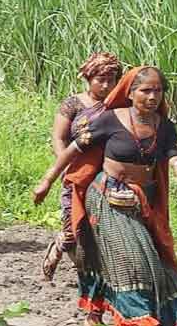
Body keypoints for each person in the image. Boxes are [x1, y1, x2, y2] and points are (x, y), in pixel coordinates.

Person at [37, 66, 177, 326]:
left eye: (158, 91)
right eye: (145, 90)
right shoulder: (109, 119)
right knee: (134, 261)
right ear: (130, 92)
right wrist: (47, 180)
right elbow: (72, 149)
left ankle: (157, 313)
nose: (153, 97)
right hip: (107, 200)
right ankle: (136, 317)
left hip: (143, 204)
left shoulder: (165, 127)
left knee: (156, 262)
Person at [33, 52, 122, 281]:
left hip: (106, 175)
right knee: (72, 229)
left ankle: (91, 275)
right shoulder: (74, 104)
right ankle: (60, 245)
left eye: (110, 80)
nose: (105, 85)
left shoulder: (118, 105)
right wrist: (65, 165)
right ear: (88, 78)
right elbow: (59, 137)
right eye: (99, 79)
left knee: (98, 227)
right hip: (76, 173)